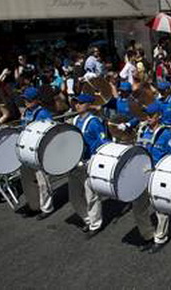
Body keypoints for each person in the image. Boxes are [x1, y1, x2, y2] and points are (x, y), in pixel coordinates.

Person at [132, 102, 171, 254]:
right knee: (138, 207)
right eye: (147, 115)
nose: (148, 117)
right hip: (142, 173)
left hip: (158, 174)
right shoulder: (143, 129)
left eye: (151, 115)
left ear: (159, 116)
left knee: (160, 209)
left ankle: (160, 238)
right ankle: (148, 235)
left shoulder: (166, 134)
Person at [69, 93, 108, 238]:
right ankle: (88, 219)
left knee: (91, 196)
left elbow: (103, 141)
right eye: (76, 103)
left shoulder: (94, 122)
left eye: (80, 103)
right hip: (74, 163)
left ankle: (95, 224)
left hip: (87, 163)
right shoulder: (74, 120)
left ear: (87, 105)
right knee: (74, 197)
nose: (76, 105)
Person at [17, 87, 55, 220]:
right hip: (25, 150)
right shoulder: (26, 112)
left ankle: (46, 208)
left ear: (36, 100)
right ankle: (34, 206)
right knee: (27, 181)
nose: (25, 102)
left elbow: (51, 131)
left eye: (28, 99)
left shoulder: (43, 113)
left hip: (38, 153)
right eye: (25, 99)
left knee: (42, 182)